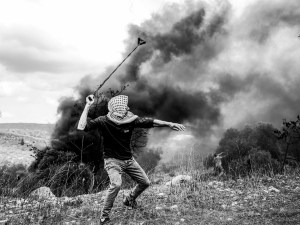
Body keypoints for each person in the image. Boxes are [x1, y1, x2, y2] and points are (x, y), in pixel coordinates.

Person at [77, 94, 185, 224]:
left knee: (145, 182)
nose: (125, 109)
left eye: (125, 108)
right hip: (112, 161)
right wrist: (88, 105)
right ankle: (104, 217)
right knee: (116, 184)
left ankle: (129, 199)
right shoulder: (103, 120)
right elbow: (82, 127)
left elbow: (151, 122)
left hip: (128, 160)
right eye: (122, 108)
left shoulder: (131, 119)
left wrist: (169, 124)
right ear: (114, 109)